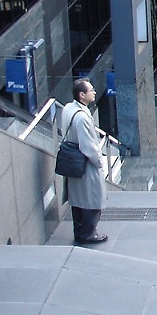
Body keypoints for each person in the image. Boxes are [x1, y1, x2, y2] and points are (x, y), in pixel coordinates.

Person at [60, 79, 108, 244]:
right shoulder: (82, 118)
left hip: (72, 160)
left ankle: (79, 231)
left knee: (77, 199)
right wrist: (100, 162)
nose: (94, 92)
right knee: (91, 199)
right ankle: (88, 234)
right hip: (84, 164)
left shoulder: (68, 108)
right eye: (91, 90)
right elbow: (88, 147)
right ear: (82, 95)